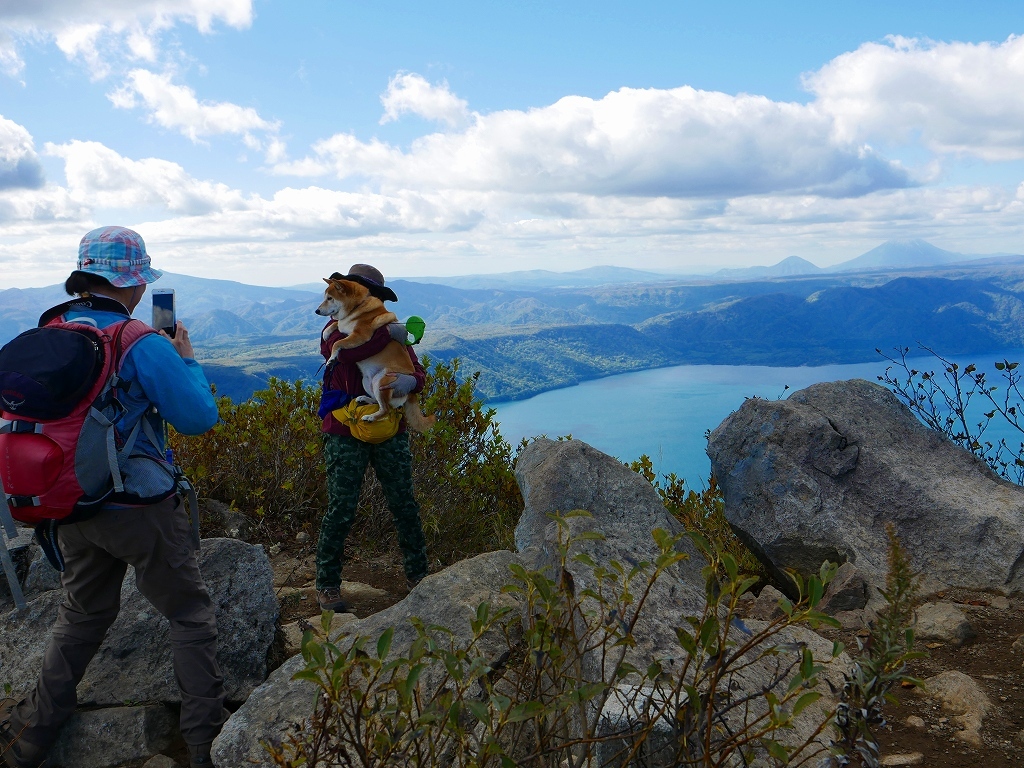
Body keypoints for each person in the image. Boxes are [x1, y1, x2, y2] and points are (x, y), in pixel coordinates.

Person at [0, 227, 225, 768]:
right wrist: (187, 360)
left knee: (81, 614)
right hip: (138, 511)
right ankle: (205, 746)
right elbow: (198, 418)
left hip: (68, 504)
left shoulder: (54, 328)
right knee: (190, 615)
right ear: (132, 281)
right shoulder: (138, 340)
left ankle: (31, 736)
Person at [316, 264, 429, 613]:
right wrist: (393, 330)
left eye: (376, 296)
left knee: (404, 504)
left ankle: (419, 576)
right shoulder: (334, 330)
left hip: (388, 428)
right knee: (342, 507)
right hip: (345, 428)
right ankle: (328, 584)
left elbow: (416, 372)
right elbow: (349, 351)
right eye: (368, 294)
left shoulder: (390, 331)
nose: (373, 302)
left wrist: (412, 383)